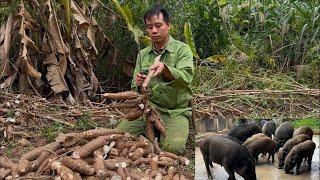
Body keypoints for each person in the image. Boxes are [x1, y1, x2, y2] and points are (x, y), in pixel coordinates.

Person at [116, 5, 194, 154]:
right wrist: (138, 84)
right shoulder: (143, 55)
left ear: (168, 25)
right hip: (148, 109)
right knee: (120, 135)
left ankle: (162, 133)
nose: (153, 31)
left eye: (158, 25)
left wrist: (165, 69)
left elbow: (186, 78)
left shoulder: (182, 50)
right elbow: (135, 89)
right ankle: (150, 134)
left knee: (173, 149)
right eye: (149, 27)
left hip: (175, 111)